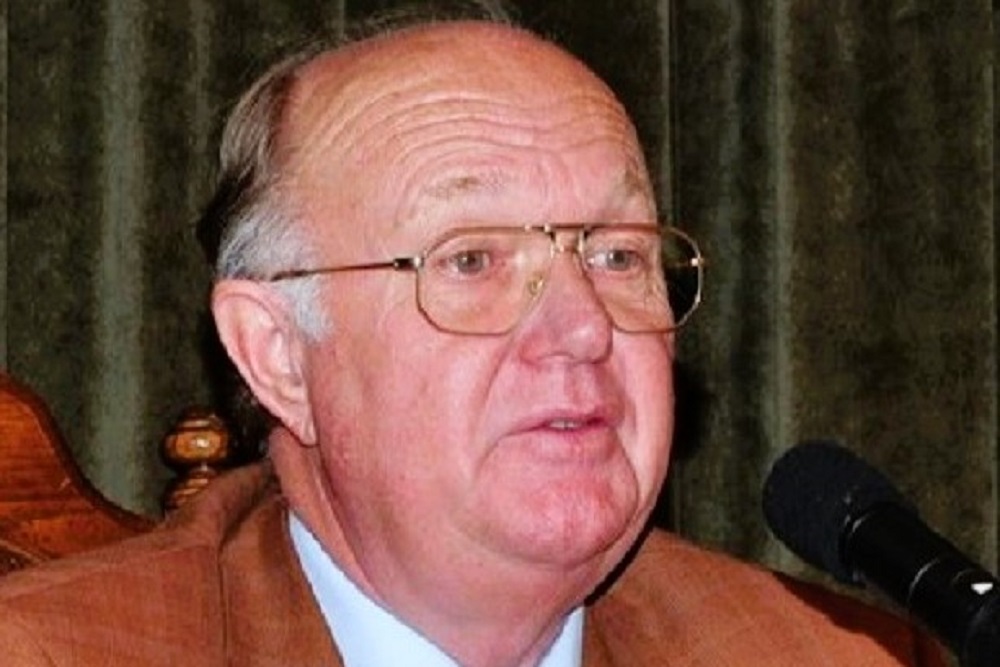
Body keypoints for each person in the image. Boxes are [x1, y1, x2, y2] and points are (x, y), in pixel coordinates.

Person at [0, 4, 947, 666]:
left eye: (617, 255)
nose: (582, 327)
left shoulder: (825, 655)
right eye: (471, 261)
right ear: (278, 355)